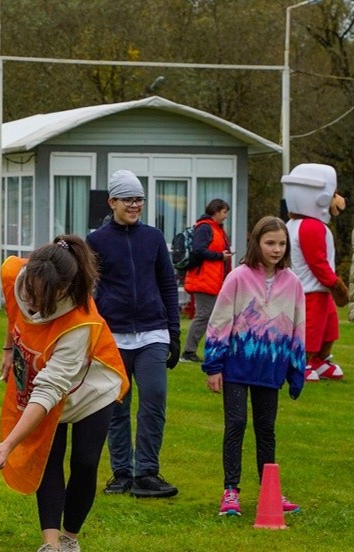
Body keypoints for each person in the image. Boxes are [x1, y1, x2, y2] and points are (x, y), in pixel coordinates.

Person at [0, 236, 128, 552]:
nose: (34, 304)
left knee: (84, 461)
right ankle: (49, 548)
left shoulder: (81, 320)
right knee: (48, 456)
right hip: (46, 380)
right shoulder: (13, 273)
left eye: (44, 298)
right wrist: (9, 349)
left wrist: (9, 443)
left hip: (91, 389)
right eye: (31, 293)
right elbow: (13, 311)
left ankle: (69, 540)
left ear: (65, 290)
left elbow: (51, 390)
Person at [202, 216, 305, 517]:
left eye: (281, 244)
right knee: (235, 424)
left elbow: (299, 327)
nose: (275, 249)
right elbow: (220, 321)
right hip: (236, 365)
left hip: (270, 368)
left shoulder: (293, 283)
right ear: (257, 243)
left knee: (266, 429)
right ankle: (231, 491)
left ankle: (269, 490)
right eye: (270, 243)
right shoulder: (238, 277)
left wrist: (296, 369)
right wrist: (214, 365)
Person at [87, 170, 180, 498]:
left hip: (153, 333)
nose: (135, 204)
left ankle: (147, 473)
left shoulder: (153, 238)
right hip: (113, 335)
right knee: (116, 405)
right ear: (112, 201)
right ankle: (122, 472)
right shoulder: (96, 241)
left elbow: (168, 284)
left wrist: (174, 332)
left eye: (139, 198)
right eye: (128, 199)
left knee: (154, 399)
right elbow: (88, 290)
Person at [282, 164, 349, 381]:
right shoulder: (310, 227)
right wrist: (335, 284)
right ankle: (301, 360)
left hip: (317, 288)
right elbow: (317, 262)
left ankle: (320, 358)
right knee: (310, 327)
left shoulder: (294, 224)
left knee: (329, 326)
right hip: (310, 288)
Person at [180, 198, 232, 363]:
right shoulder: (205, 227)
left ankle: (210, 348)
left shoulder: (215, 228)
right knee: (203, 315)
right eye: (224, 212)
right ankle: (188, 352)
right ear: (216, 211)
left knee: (209, 315)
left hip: (211, 279)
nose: (225, 216)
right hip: (203, 279)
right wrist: (220, 256)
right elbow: (198, 250)